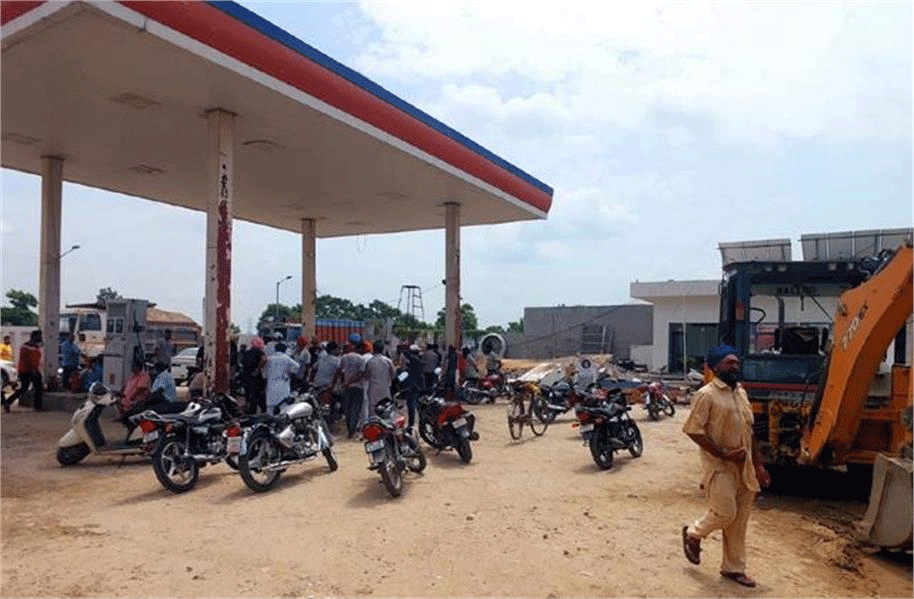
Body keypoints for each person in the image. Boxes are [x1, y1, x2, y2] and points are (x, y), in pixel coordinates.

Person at [681, 344, 771, 589]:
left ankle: (734, 569)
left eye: (736, 362)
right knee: (725, 512)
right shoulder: (706, 395)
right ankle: (693, 533)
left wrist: (759, 465)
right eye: (729, 362)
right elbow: (692, 430)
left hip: (745, 467)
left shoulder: (741, 392)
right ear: (715, 366)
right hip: (719, 466)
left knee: (739, 522)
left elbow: (749, 432)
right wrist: (723, 454)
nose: (735, 366)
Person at [3, 330, 43, 412]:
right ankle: (8, 402)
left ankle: (37, 406)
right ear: (34, 336)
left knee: (37, 387)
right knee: (24, 388)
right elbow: (26, 360)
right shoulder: (25, 347)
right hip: (25, 370)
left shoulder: (36, 347)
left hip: (33, 370)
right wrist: (32, 370)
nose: (41, 338)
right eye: (39, 336)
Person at [339, 340, 367, 438]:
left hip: (347, 387)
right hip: (358, 387)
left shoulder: (344, 357)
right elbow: (362, 373)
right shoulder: (361, 359)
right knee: (355, 409)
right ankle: (352, 430)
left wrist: (345, 382)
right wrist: (351, 381)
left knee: (347, 409)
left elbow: (341, 371)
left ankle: (349, 429)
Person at [263, 342, 300, 414]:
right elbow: (297, 367)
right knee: (283, 409)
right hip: (283, 386)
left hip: (271, 386)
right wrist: (288, 370)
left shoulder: (269, 359)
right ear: (285, 350)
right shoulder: (286, 358)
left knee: (270, 409)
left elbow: (264, 374)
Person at [365, 341, 396, 417]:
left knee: (372, 412)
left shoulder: (370, 361)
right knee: (385, 409)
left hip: (373, 390)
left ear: (374, 349)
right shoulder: (388, 361)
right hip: (385, 389)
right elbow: (393, 374)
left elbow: (366, 375)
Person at [114, 359, 151, 423]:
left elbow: (142, 388)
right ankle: (122, 416)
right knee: (117, 401)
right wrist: (120, 392)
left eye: (133, 367)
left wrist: (133, 396)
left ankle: (127, 417)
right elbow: (125, 385)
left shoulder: (144, 376)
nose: (132, 369)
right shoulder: (132, 374)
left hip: (137, 396)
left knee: (132, 403)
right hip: (127, 395)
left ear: (138, 368)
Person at [398, 344, 425, 431]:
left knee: (412, 406)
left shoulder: (415, 360)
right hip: (416, 385)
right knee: (413, 406)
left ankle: (411, 425)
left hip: (413, 386)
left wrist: (403, 350)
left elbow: (408, 356)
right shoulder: (417, 360)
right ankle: (413, 424)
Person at [241, 336, 268, 414]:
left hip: (247, 377)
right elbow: (264, 359)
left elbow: (243, 363)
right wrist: (258, 369)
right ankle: (263, 411)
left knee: (250, 395)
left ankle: (251, 411)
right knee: (260, 395)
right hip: (257, 377)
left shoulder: (247, 352)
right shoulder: (260, 352)